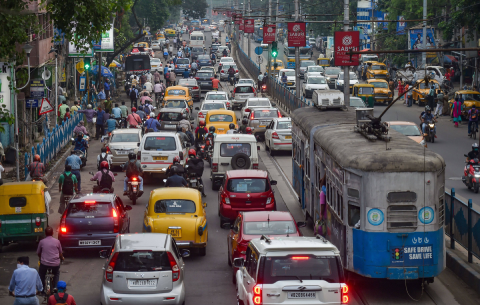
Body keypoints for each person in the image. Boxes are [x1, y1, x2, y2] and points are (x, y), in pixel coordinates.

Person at [37, 226, 64, 295]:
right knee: (56, 273)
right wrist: (62, 258)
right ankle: (55, 287)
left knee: (41, 275)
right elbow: (60, 253)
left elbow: (38, 252)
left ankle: (42, 290)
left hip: (44, 264)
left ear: (45, 233)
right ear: (53, 233)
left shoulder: (41, 242)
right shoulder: (57, 241)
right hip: (55, 264)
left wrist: (40, 258)